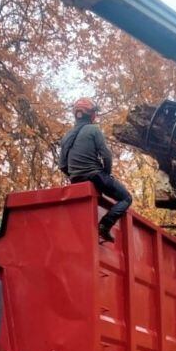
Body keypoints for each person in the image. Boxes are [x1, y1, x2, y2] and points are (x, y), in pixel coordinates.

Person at [58, 98, 133, 243]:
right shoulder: (93, 130)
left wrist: (75, 175)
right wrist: (106, 173)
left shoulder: (67, 137)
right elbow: (106, 155)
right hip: (94, 175)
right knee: (126, 198)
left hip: (76, 179)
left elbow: (62, 165)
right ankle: (105, 225)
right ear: (91, 115)